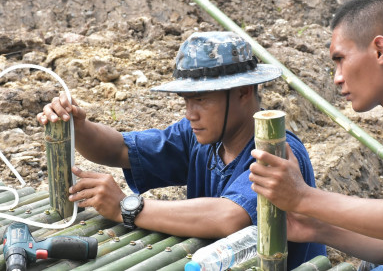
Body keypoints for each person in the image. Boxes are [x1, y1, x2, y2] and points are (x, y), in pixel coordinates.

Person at [37, 31, 326, 268]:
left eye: (200, 100)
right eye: (186, 100)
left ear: (242, 92)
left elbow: (228, 216)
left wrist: (127, 208)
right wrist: (78, 126)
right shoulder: (199, 137)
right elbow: (118, 150)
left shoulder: (279, 152)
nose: (190, 113)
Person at [249, 0, 383, 270]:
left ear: (380, 50)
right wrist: (317, 228)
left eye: (340, 59)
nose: (337, 77)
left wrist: (304, 197)